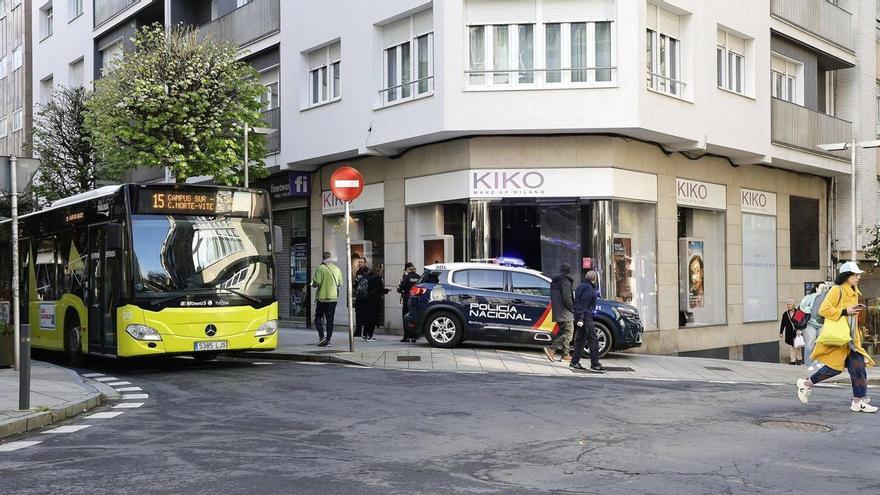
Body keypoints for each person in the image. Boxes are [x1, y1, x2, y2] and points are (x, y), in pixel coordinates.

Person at [796, 262, 878, 413]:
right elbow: (824, 310)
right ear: (846, 276)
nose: (858, 277)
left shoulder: (854, 291)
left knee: (858, 368)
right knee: (834, 369)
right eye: (855, 275)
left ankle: (858, 401)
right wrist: (845, 311)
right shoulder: (836, 290)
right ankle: (806, 384)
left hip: (851, 338)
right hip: (839, 338)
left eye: (858, 274)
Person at [570, 270, 606, 373]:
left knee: (580, 339)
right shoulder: (589, 289)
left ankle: (574, 362)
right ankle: (595, 364)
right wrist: (581, 318)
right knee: (593, 339)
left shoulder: (581, 286)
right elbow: (583, 304)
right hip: (585, 316)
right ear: (594, 279)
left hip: (580, 315)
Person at [544, 263, 575, 362]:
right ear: (569, 271)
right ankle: (551, 348)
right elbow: (567, 298)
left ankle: (566, 354)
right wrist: (572, 308)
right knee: (569, 333)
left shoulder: (554, 281)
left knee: (563, 332)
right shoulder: (565, 282)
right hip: (565, 311)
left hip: (557, 310)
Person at [311, 251, 343, 347]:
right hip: (333, 299)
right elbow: (340, 284)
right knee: (330, 320)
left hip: (322, 298)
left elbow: (317, 282)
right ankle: (328, 340)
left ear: (323, 258)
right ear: (330, 258)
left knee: (318, 317)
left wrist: (313, 284)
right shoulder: (337, 269)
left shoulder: (320, 268)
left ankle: (322, 337)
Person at [802, 282, 828, 371]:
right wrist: (812, 310)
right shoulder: (809, 297)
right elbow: (802, 307)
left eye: (825, 287)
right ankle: (809, 363)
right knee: (810, 343)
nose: (824, 289)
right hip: (810, 324)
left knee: (821, 343)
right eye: (821, 287)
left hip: (822, 324)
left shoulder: (827, 298)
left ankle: (820, 361)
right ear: (816, 288)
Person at [361, 264, 389, 342]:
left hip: (367, 300)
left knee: (367, 318)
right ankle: (370, 336)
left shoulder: (368, 276)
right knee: (373, 319)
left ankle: (364, 335)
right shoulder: (378, 278)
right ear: (379, 270)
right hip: (374, 301)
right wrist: (387, 290)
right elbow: (381, 290)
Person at [397, 262, 422, 342]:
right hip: (417, 300)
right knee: (415, 318)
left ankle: (406, 336)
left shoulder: (407, 277)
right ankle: (414, 336)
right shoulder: (419, 277)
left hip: (407, 299)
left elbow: (401, 288)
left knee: (406, 318)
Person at [779, 299, 802, 365]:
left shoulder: (798, 312)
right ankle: (793, 360)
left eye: (790, 304)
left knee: (797, 346)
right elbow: (783, 324)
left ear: (793, 305)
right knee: (791, 347)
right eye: (787, 304)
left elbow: (800, 323)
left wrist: (799, 330)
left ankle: (799, 359)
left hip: (797, 332)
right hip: (789, 332)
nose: (788, 306)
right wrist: (781, 332)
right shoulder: (785, 314)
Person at [353, 263, 370, 339]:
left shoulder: (367, 271)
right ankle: (358, 331)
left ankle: (365, 332)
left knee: (365, 315)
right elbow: (355, 283)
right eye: (359, 262)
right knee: (358, 315)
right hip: (358, 297)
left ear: (365, 263)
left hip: (365, 297)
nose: (359, 263)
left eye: (361, 262)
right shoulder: (358, 271)